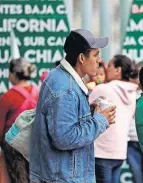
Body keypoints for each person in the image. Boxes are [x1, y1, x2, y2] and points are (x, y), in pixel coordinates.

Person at [29, 29, 116, 183]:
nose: (99, 60)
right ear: (82, 58)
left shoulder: (60, 77)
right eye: (95, 55)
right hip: (63, 177)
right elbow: (64, 138)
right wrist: (100, 121)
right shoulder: (66, 89)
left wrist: (89, 111)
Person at [89, 55, 138, 183]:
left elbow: (83, 111)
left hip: (100, 152)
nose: (106, 69)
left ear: (118, 70)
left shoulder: (102, 89)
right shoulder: (132, 94)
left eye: (110, 66)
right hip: (119, 152)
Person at [0, 58, 38, 183]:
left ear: (12, 74)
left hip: (14, 146)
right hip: (36, 143)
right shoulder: (39, 92)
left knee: (19, 179)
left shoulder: (7, 97)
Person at [127, 62, 143, 183]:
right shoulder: (125, 92)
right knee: (137, 177)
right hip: (130, 142)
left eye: (141, 77)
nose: (138, 80)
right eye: (135, 76)